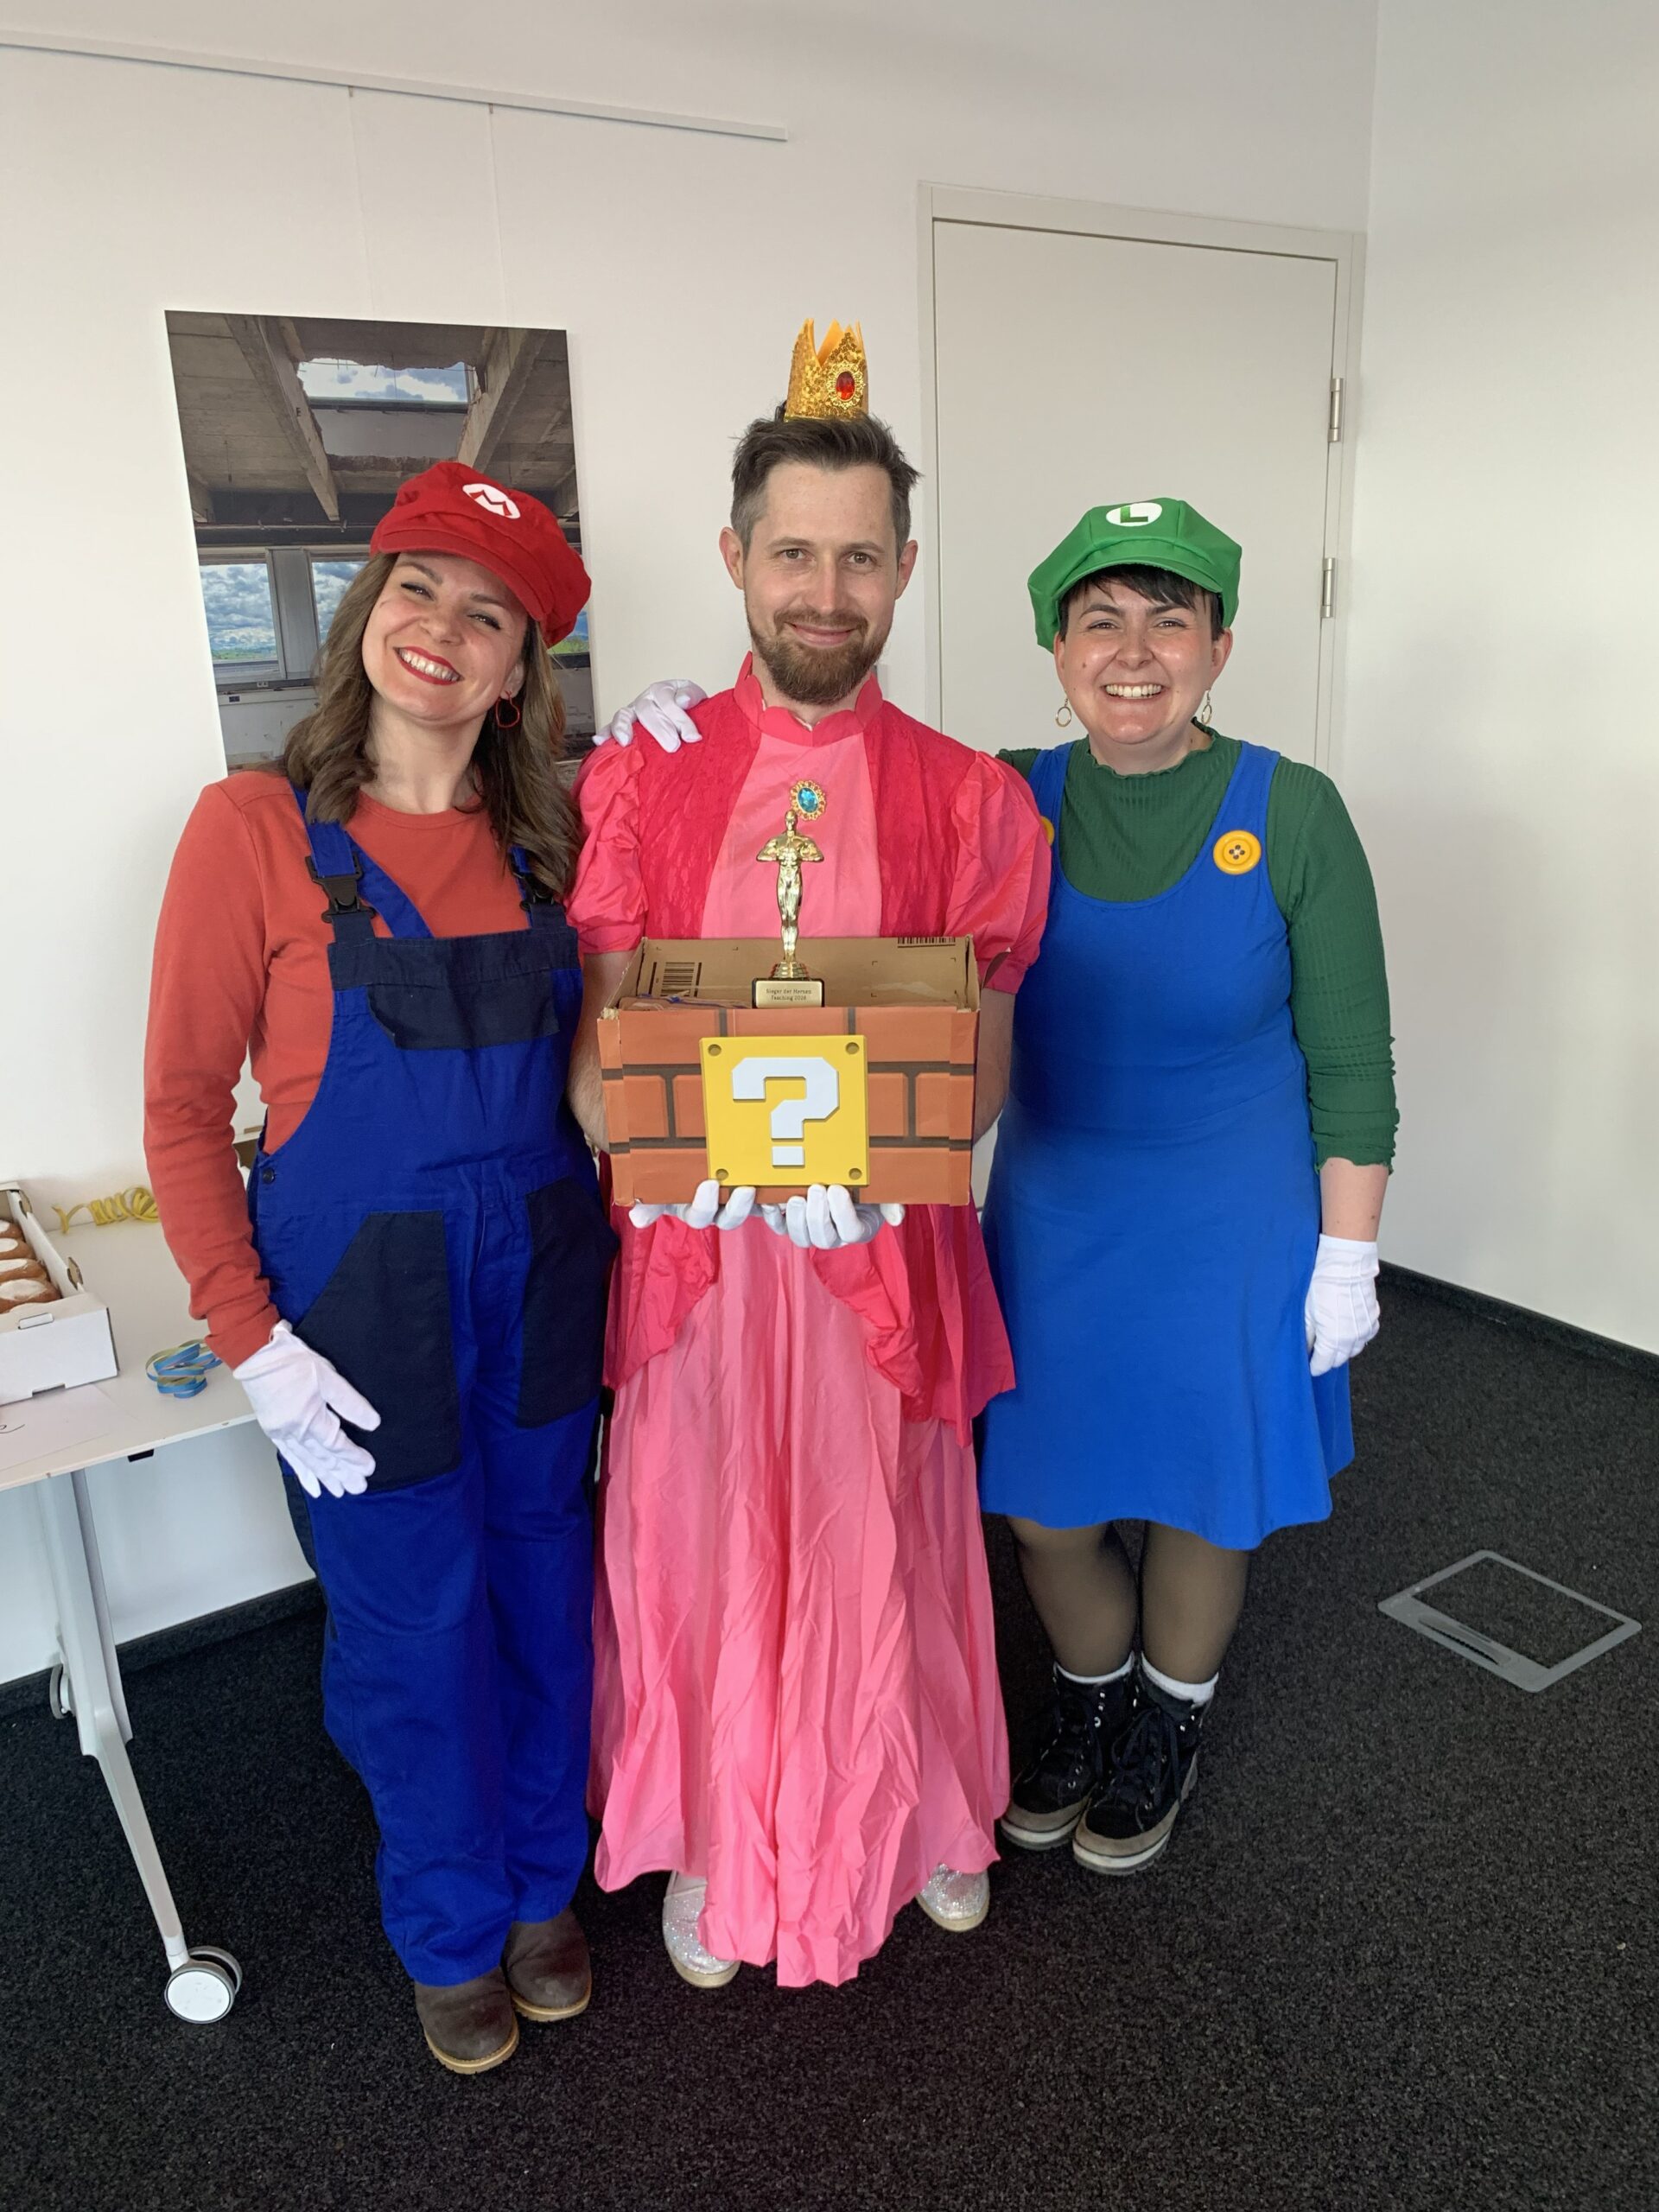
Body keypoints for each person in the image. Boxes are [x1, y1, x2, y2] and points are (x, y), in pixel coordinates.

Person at [567, 323, 1050, 1989]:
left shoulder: (973, 801)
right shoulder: (644, 778)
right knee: (702, 1537)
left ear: (904, 568)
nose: (823, 592)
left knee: (885, 1533)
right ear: (736, 558)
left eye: (858, 557)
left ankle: (921, 1813)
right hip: (700, 1259)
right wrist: (656, 1145)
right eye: (793, 554)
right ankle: (718, 1828)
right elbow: (603, 1043)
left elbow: (983, 1057)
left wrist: (897, 1159)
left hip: (876, 1255)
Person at [144, 461, 614, 2074]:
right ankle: (450, 1923)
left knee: (547, 1584)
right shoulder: (252, 832)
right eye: (419, 588)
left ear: (519, 668)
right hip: (358, 1298)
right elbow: (182, 1112)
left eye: (490, 614)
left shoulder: (555, 841)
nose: (443, 630)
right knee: (413, 1620)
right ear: (368, 609)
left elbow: (618, 1060)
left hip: (542, 1269)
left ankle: (543, 1885)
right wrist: (251, 1340)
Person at [977, 499, 1396, 1872]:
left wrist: (1348, 1255)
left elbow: (1352, 1061)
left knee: (1207, 1492)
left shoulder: (1294, 811)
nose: (1134, 650)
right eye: (1101, 619)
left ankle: (1169, 1716)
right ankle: (1091, 1696)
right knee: (1047, 1502)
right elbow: (836, 810)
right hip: (1055, 1219)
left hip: (1235, 1224)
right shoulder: (1004, 798)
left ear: (1219, 646)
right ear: (1056, 647)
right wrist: (715, 727)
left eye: (1171, 619)